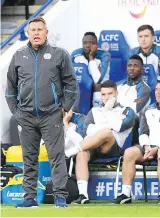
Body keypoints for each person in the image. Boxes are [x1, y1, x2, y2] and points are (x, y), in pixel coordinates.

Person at [5, 17, 79, 208]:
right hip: (26, 116)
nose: (36, 33)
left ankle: (60, 196)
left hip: (51, 115)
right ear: (27, 33)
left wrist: (64, 107)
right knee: (29, 158)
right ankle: (29, 198)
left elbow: (71, 83)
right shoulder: (18, 55)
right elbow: (10, 88)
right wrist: (16, 112)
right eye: (33, 30)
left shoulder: (59, 54)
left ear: (46, 32)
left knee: (57, 157)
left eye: (40, 29)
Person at [114, 79, 160, 204]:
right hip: (149, 147)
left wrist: (157, 148)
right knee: (129, 153)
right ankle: (126, 193)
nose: (157, 93)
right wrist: (147, 146)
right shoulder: (148, 109)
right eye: (156, 90)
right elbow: (143, 133)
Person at [65, 80, 135, 204]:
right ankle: (83, 195)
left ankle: (68, 153)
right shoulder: (94, 111)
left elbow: (118, 128)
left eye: (110, 94)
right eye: (103, 94)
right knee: (82, 153)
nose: (106, 98)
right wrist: (106, 126)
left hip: (114, 148)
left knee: (106, 133)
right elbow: (86, 132)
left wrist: (107, 112)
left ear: (116, 94)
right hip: (93, 146)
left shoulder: (127, 111)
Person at [117, 54, 150, 144]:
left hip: (132, 124)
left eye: (135, 66)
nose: (132, 68)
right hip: (115, 117)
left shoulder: (144, 89)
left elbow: (133, 110)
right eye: (129, 66)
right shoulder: (119, 85)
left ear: (142, 70)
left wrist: (118, 105)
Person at [71, 32, 110, 107]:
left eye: (91, 43)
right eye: (85, 43)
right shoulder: (76, 55)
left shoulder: (104, 56)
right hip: (83, 84)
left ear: (96, 45)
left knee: (97, 85)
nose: (87, 45)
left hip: (100, 86)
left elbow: (97, 79)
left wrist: (91, 57)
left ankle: (96, 112)